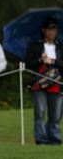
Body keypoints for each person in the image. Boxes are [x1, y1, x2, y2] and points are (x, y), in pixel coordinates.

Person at [26, 17, 62, 145]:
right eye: (49, 29)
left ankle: (55, 140)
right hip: (39, 85)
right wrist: (40, 60)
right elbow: (28, 63)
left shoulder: (60, 46)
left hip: (57, 85)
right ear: (43, 30)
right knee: (40, 113)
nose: (52, 32)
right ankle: (41, 140)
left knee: (56, 115)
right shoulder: (36, 46)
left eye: (54, 29)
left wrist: (52, 61)